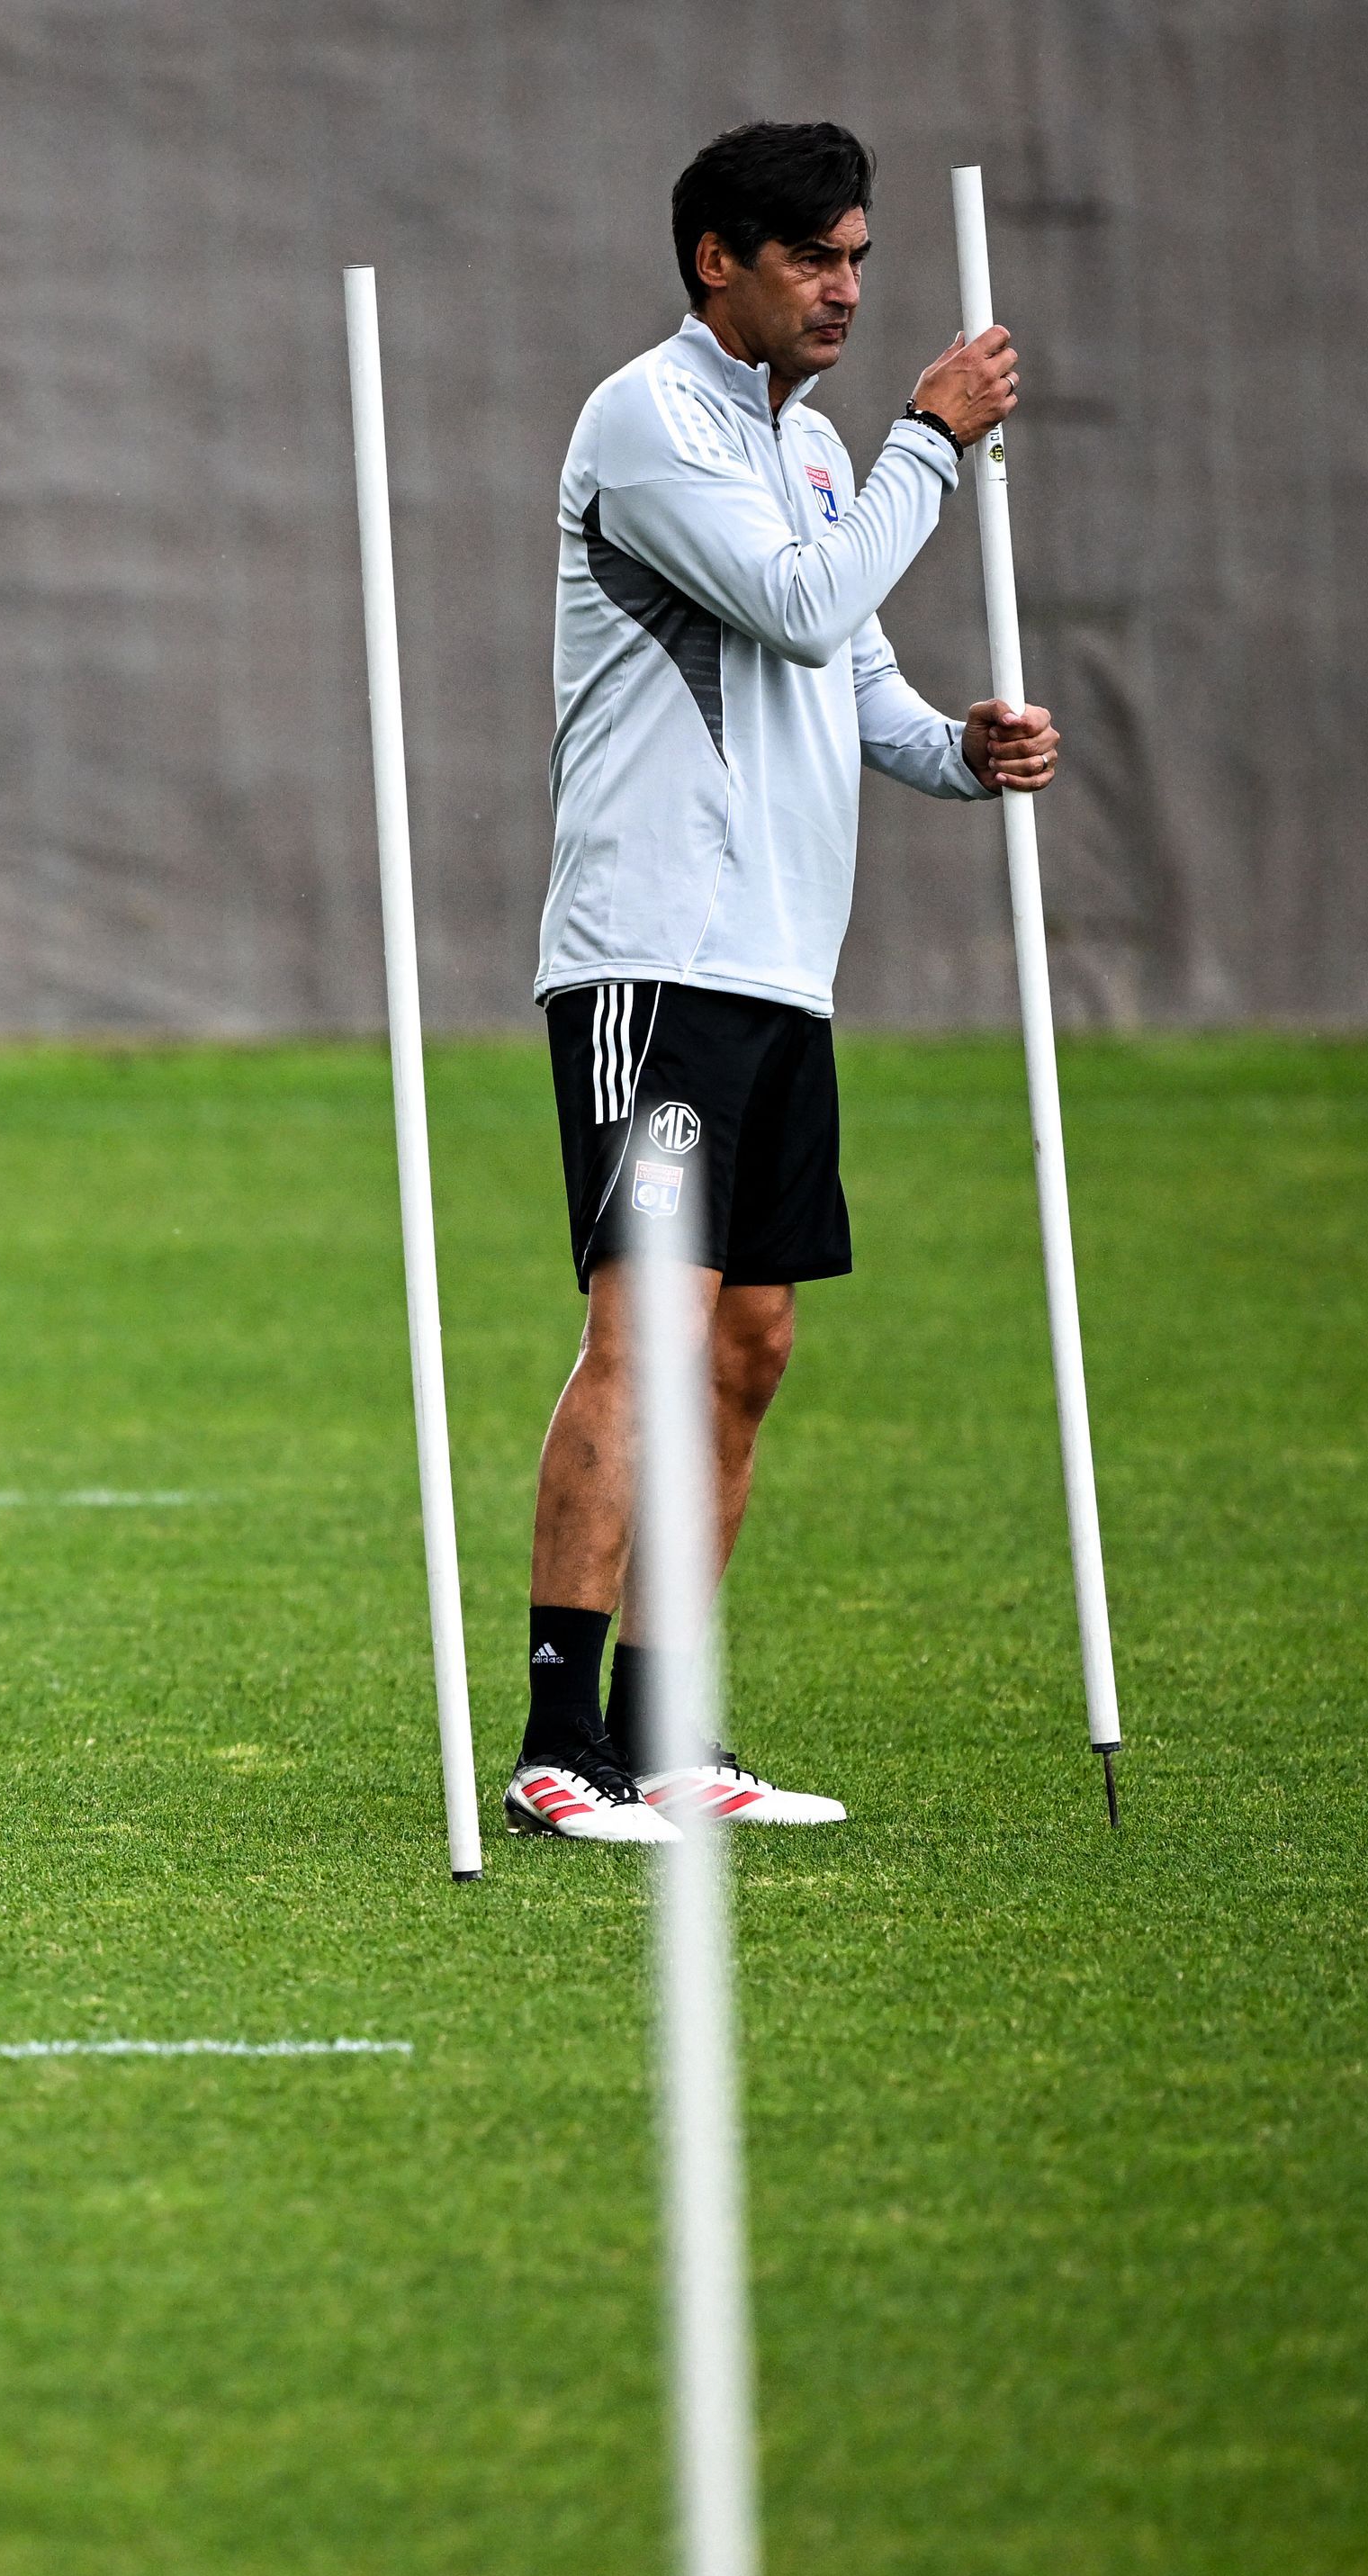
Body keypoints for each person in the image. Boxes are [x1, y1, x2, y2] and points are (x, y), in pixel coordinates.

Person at [503, 119, 1059, 1845]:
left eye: (860, 260)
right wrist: (933, 444)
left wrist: (967, 751)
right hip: (652, 957)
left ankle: (668, 1740)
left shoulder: (817, 453)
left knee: (750, 1346)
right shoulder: (647, 421)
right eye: (815, 258)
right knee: (650, 1335)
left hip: (780, 974)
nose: (845, 289)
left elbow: (855, 682)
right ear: (714, 262)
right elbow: (799, 607)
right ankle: (553, 1748)